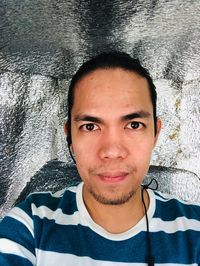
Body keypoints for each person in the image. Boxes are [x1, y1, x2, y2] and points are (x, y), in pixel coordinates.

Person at [0, 52, 199, 266]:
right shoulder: (30, 225)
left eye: (133, 125)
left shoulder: (195, 230)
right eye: (90, 126)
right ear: (70, 138)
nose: (112, 151)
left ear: (155, 133)